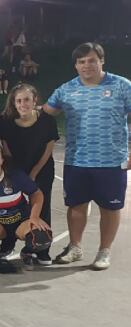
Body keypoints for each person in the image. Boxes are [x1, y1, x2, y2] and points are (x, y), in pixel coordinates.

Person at [43, 42, 131, 270]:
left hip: (112, 161)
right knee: (76, 206)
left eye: (92, 60)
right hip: (77, 160)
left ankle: (104, 251)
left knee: (110, 208)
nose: (87, 65)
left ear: (102, 61)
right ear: (75, 65)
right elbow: (44, 113)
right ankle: (75, 247)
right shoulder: (66, 89)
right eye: (81, 62)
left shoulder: (122, 86)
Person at [0, 83, 59, 265]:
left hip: (42, 168)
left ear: (35, 101)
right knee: (12, 206)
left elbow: (49, 149)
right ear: (14, 103)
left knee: (41, 206)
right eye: (19, 100)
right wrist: (17, 175)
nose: (23, 104)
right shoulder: (5, 120)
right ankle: (7, 245)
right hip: (15, 168)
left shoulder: (46, 120)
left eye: (27, 100)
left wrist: (33, 173)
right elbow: (6, 149)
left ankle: (40, 248)